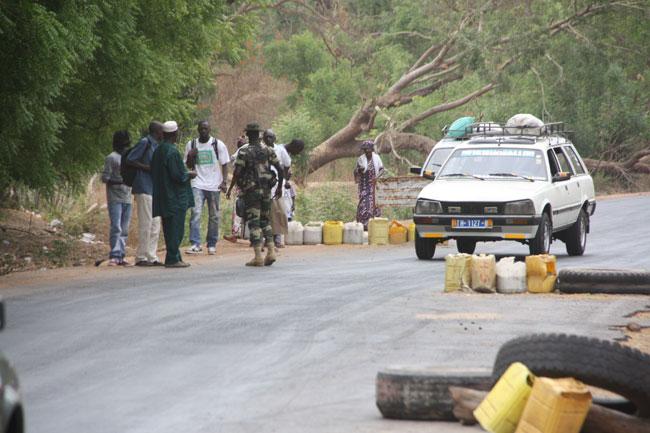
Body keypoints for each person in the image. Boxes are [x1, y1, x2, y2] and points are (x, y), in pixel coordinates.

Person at [226, 123, 283, 267]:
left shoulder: (244, 152)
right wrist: (279, 187)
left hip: (251, 191)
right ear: (258, 134)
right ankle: (271, 252)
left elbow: (237, 172)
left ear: (248, 135)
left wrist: (230, 188)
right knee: (265, 220)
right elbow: (280, 169)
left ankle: (258, 256)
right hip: (266, 190)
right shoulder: (268, 150)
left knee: (254, 222)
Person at [151, 121, 196, 268]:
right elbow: (177, 175)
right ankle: (172, 258)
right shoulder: (172, 151)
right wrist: (189, 174)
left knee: (169, 228)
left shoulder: (158, 150)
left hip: (163, 195)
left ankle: (176, 256)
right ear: (175, 134)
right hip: (175, 197)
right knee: (176, 229)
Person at [183, 120, 230, 255]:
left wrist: (224, 182)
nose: (203, 131)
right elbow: (187, 165)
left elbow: (225, 164)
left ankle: (211, 243)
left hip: (214, 185)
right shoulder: (191, 144)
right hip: (197, 183)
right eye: (201, 129)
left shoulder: (217, 144)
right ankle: (195, 243)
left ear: (209, 130)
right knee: (196, 212)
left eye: (206, 129)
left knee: (214, 215)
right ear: (198, 130)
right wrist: (191, 155)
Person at [127, 121, 163, 266]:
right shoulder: (145, 142)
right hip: (143, 186)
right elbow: (131, 159)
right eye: (161, 131)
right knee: (146, 223)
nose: (163, 134)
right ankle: (141, 256)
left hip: (154, 187)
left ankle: (152, 256)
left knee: (155, 224)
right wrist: (147, 168)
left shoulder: (157, 145)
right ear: (156, 132)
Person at [101, 130, 133, 266]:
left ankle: (121, 254)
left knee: (124, 228)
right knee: (116, 227)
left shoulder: (129, 157)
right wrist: (121, 181)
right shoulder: (111, 157)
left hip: (127, 197)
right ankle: (114, 254)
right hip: (114, 197)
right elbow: (105, 178)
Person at [263, 129, 291, 248]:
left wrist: (284, 180)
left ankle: (277, 238)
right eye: (266, 137)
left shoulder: (280, 150)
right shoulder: (261, 150)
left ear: (274, 139)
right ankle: (267, 238)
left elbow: (287, 164)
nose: (268, 139)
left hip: (277, 186)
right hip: (264, 185)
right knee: (266, 213)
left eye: (270, 137)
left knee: (278, 211)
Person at [354, 140, 384, 230]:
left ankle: (374, 222)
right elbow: (356, 171)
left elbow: (382, 169)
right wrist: (359, 169)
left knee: (374, 202)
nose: (366, 152)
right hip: (364, 184)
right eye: (364, 150)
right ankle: (363, 223)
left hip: (374, 184)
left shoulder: (377, 158)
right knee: (364, 201)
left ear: (371, 149)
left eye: (367, 149)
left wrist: (376, 177)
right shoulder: (361, 159)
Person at [224, 135, 248, 243]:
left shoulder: (241, 151)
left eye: (242, 138)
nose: (239, 139)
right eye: (238, 138)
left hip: (242, 185)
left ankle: (236, 234)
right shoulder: (251, 150)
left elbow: (236, 172)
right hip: (254, 186)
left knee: (238, 209)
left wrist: (230, 189)